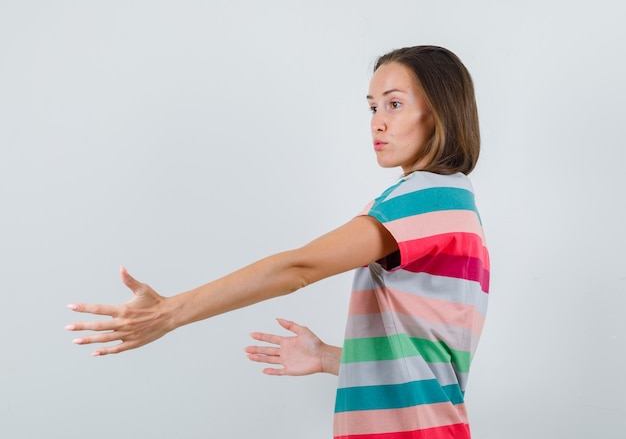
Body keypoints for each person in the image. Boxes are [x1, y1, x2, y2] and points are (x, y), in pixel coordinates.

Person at [67, 45, 489, 439]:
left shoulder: (425, 198)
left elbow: (299, 268)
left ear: (438, 113)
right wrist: (326, 357)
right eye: (373, 106)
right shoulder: (455, 202)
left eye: (394, 104)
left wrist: (169, 313)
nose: (377, 121)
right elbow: (426, 367)